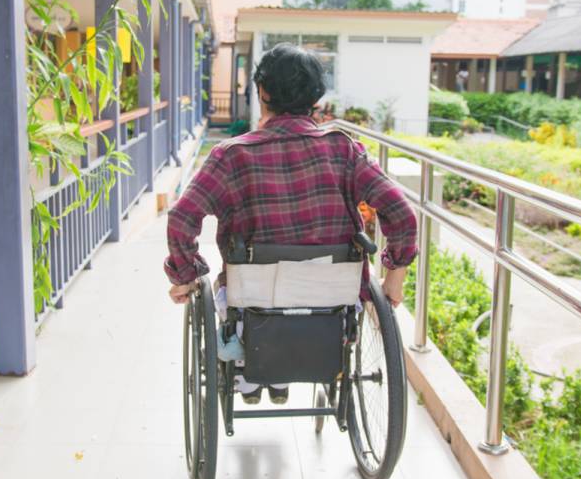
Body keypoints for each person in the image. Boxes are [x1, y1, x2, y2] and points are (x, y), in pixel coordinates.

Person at [164, 43, 418, 404]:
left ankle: (253, 376)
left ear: (262, 92)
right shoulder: (345, 150)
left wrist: (185, 275)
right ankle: (284, 373)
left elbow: (181, 218)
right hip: (332, 304)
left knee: (234, 295)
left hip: (252, 300)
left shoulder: (231, 155)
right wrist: (395, 275)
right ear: (316, 97)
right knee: (319, 293)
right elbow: (402, 214)